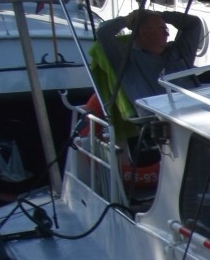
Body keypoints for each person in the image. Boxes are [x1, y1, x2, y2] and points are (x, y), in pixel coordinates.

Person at [87, 9, 202, 163]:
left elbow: (194, 24)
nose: (167, 34)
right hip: (164, 122)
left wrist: (162, 15)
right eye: (162, 29)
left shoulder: (179, 50)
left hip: (199, 113)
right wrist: (126, 20)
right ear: (143, 32)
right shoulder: (125, 59)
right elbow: (103, 33)